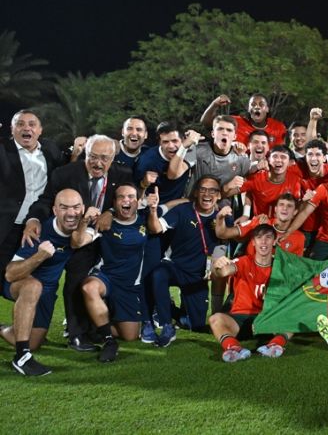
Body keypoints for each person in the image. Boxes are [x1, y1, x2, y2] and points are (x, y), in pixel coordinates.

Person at [23, 134, 133, 352]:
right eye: (92, 156)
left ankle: (77, 334)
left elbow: (127, 200)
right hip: (61, 237)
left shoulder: (123, 174)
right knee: (45, 284)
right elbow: (46, 201)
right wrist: (33, 219)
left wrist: (110, 211)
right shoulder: (65, 174)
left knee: (77, 282)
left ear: (112, 158)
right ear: (85, 153)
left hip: (93, 239)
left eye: (104, 157)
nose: (97, 162)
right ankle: (33, 328)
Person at [71, 184, 161, 362]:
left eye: (130, 197)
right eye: (121, 197)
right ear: (114, 202)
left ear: (137, 202)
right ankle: (108, 341)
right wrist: (84, 221)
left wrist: (153, 209)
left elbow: (160, 223)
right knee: (90, 287)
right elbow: (77, 242)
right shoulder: (104, 223)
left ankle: (94, 323)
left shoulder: (144, 218)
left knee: (130, 336)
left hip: (128, 286)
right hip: (106, 277)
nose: (126, 200)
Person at [2, 189, 84, 376]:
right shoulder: (39, 232)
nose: (71, 213)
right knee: (33, 286)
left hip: (47, 292)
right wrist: (39, 256)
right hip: (22, 285)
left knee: (33, 342)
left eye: (76, 207)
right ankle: (21, 357)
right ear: (55, 210)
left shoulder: (82, 229)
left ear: (83, 208)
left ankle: (4, 330)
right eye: (64, 208)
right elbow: (10, 274)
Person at [146, 175, 230, 346]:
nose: (207, 194)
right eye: (203, 189)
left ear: (219, 195)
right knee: (158, 274)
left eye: (212, 190)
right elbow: (155, 228)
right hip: (175, 267)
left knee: (198, 326)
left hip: (199, 276)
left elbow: (224, 245)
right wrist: (153, 211)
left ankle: (177, 314)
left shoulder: (223, 217)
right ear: (196, 192)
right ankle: (166, 326)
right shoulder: (182, 210)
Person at [209, 224, 289, 362]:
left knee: (293, 314)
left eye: (268, 238)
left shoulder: (281, 267)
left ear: (275, 241)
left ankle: (274, 346)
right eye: (259, 238)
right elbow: (223, 272)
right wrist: (217, 266)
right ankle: (235, 349)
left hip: (267, 320)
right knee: (215, 319)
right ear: (253, 242)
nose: (263, 242)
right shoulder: (244, 262)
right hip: (239, 319)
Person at [0, 110, 64, 279]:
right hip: (6, 225)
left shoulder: (51, 150)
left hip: (37, 227)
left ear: (40, 130)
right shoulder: (2, 151)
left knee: (31, 281)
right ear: (12, 129)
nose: (26, 128)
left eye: (32, 124)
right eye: (20, 124)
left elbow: (62, 177)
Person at [223, 145, 302, 219]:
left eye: (283, 157)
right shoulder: (257, 178)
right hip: (261, 225)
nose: (278, 160)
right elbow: (225, 193)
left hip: (284, 225)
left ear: (290, 162)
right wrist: (228, 186)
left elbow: (296, 207)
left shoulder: (296, 179)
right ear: (267, 160)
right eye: (275, 156)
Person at [135, 122, 200, 203]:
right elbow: (135, 193)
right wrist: (143, 184)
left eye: (174, 141)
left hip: (179, 204)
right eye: (165, 142)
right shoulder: (146, 161)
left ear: (183, 140)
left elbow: (174, 173)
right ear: (159, 143)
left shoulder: (189, 150)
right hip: (154, 206)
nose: (171, 146)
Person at [201, 94, 287, 146]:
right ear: (248, 109)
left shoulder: (278, 127)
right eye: (253, 104)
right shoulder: (236, 122)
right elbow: (206, 122)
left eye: (261, 104)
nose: (257, 107)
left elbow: (280, 152)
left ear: (267, 109)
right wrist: (215, 104)